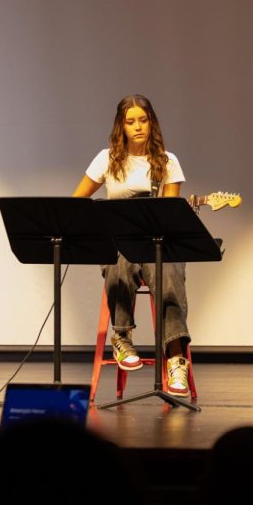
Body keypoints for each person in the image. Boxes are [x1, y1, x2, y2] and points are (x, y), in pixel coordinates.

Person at [72, 94, 193, 396]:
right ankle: (122, 337)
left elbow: (168, 214)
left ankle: (175, 358)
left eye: (143, 119)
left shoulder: (167, 161)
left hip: (154, 242)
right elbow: (76, 202)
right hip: (120, 242)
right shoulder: (107, 159)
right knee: (119, 259)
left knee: (168, 271)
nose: (138, 126)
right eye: (131, 121)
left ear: (151, 122)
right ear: (121, 126)